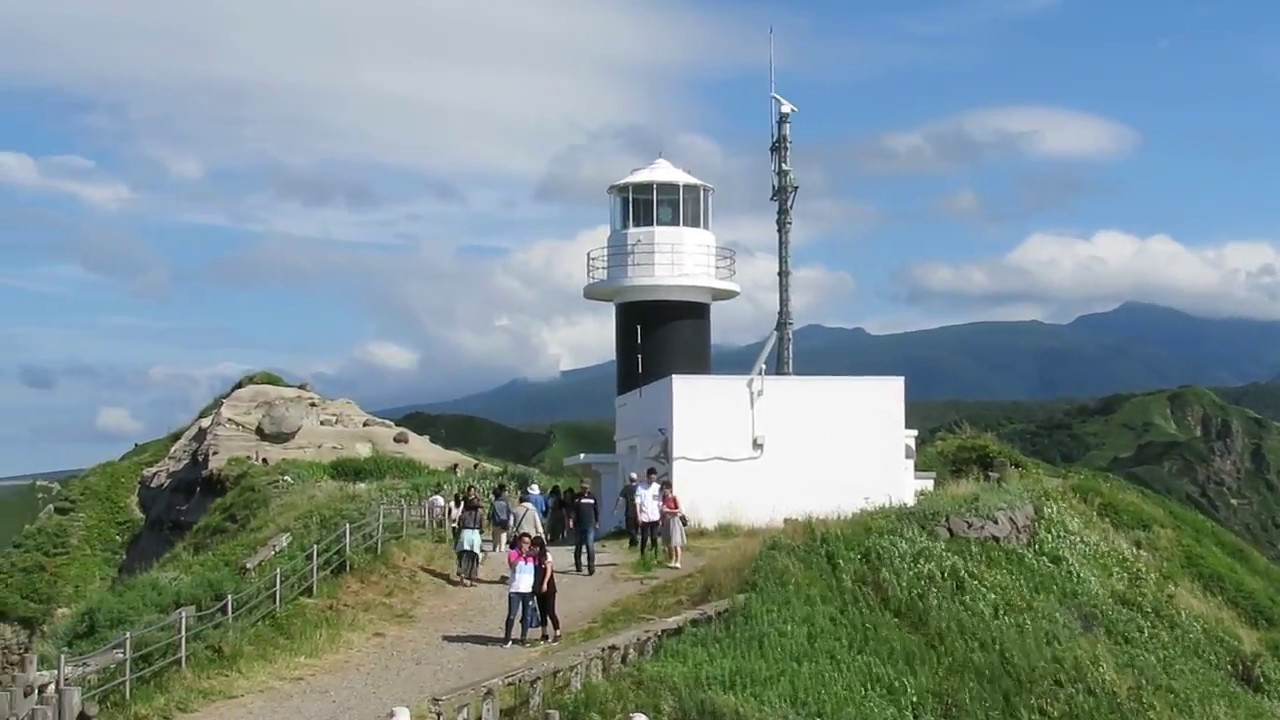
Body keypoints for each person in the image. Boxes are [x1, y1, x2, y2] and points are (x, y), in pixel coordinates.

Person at [502, 533, 538, 648]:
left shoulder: (532, 557)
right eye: (523, 543)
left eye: (528, 543)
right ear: (519, 542)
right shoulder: (513, 553)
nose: (525, 546)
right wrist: (521, 555)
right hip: (515, 590)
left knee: (526, 615)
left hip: (528, 590)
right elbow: (512, 565)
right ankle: (507, 638)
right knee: (512, 615)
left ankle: (524, 638)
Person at [530, 536, 562, 644]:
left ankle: (557, 632)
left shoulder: (546, 555)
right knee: (542, 611)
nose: (533, 548)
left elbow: (549, 570)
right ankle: (544, 634)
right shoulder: (534, 557)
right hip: (538, 587)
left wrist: (545, 584)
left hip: (549, 588)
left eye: (535, 546)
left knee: (550, 611)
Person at [455, 492, 486, 586]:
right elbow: (483, 528)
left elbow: (459, 525)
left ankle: (462, 578)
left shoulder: (463, 514)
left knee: (462, 557)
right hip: (475, 534)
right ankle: (472, 580)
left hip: (464, 534)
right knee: (474, 558)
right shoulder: (480, 514)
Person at [570, 479, 599, 575]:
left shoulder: (593, 497)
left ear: (589, 487)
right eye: (582, 487)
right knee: (578, 546)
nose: (584, 489)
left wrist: (597, 521)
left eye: (586, 488)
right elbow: (572, 510)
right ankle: (578, 565)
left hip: (589, 525)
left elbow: (596, 510)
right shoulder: (576, 497)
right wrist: (570, 520)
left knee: (590, 546)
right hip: (578, 525)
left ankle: (591, 566)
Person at [635, 467, 663, 559]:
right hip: (644, 516)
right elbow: (637, 502)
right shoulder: (640, 487)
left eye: (654, 478)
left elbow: (660, 503)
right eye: (651, 478)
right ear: (647, 477)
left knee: (654, 537)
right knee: (644, 537)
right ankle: (643, 555)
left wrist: (661, 517)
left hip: (655, 516)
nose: (652, 480)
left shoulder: (658, 488)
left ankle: (655, 556)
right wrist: (638, 516)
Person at [659, 480, 686, 569]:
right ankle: (672, 560)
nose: (665, 491)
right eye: (663, 490)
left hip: (674, 520)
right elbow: (662, 511)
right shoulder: (663, 499)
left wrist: (668, 511)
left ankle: (678, 561)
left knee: (676, 542)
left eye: (666, 489)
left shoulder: (674, 498)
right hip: (666, 522)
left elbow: (679, 510)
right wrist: (661, 519)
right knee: (669, 543)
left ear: (670, 489)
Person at [613, 472, 640, 547]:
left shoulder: (626, 488)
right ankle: (632, 545)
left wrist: (616, 508)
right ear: (636, 479)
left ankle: (635, 540)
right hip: (638, 512)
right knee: (635, 529)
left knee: (630, 529)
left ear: (629, 479)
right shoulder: (639, 488)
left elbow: (620, 498)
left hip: (629, 512)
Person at [489, 484, 512, 555]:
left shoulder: (494, 503)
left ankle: (495, 547)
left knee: (496, 534)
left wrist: (489, 519)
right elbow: (508, 511)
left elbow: (491, 512)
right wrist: (508, 519)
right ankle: (502, 548)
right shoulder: (505, 502)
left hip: (496, 521)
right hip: (504, 520)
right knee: (503, 534)